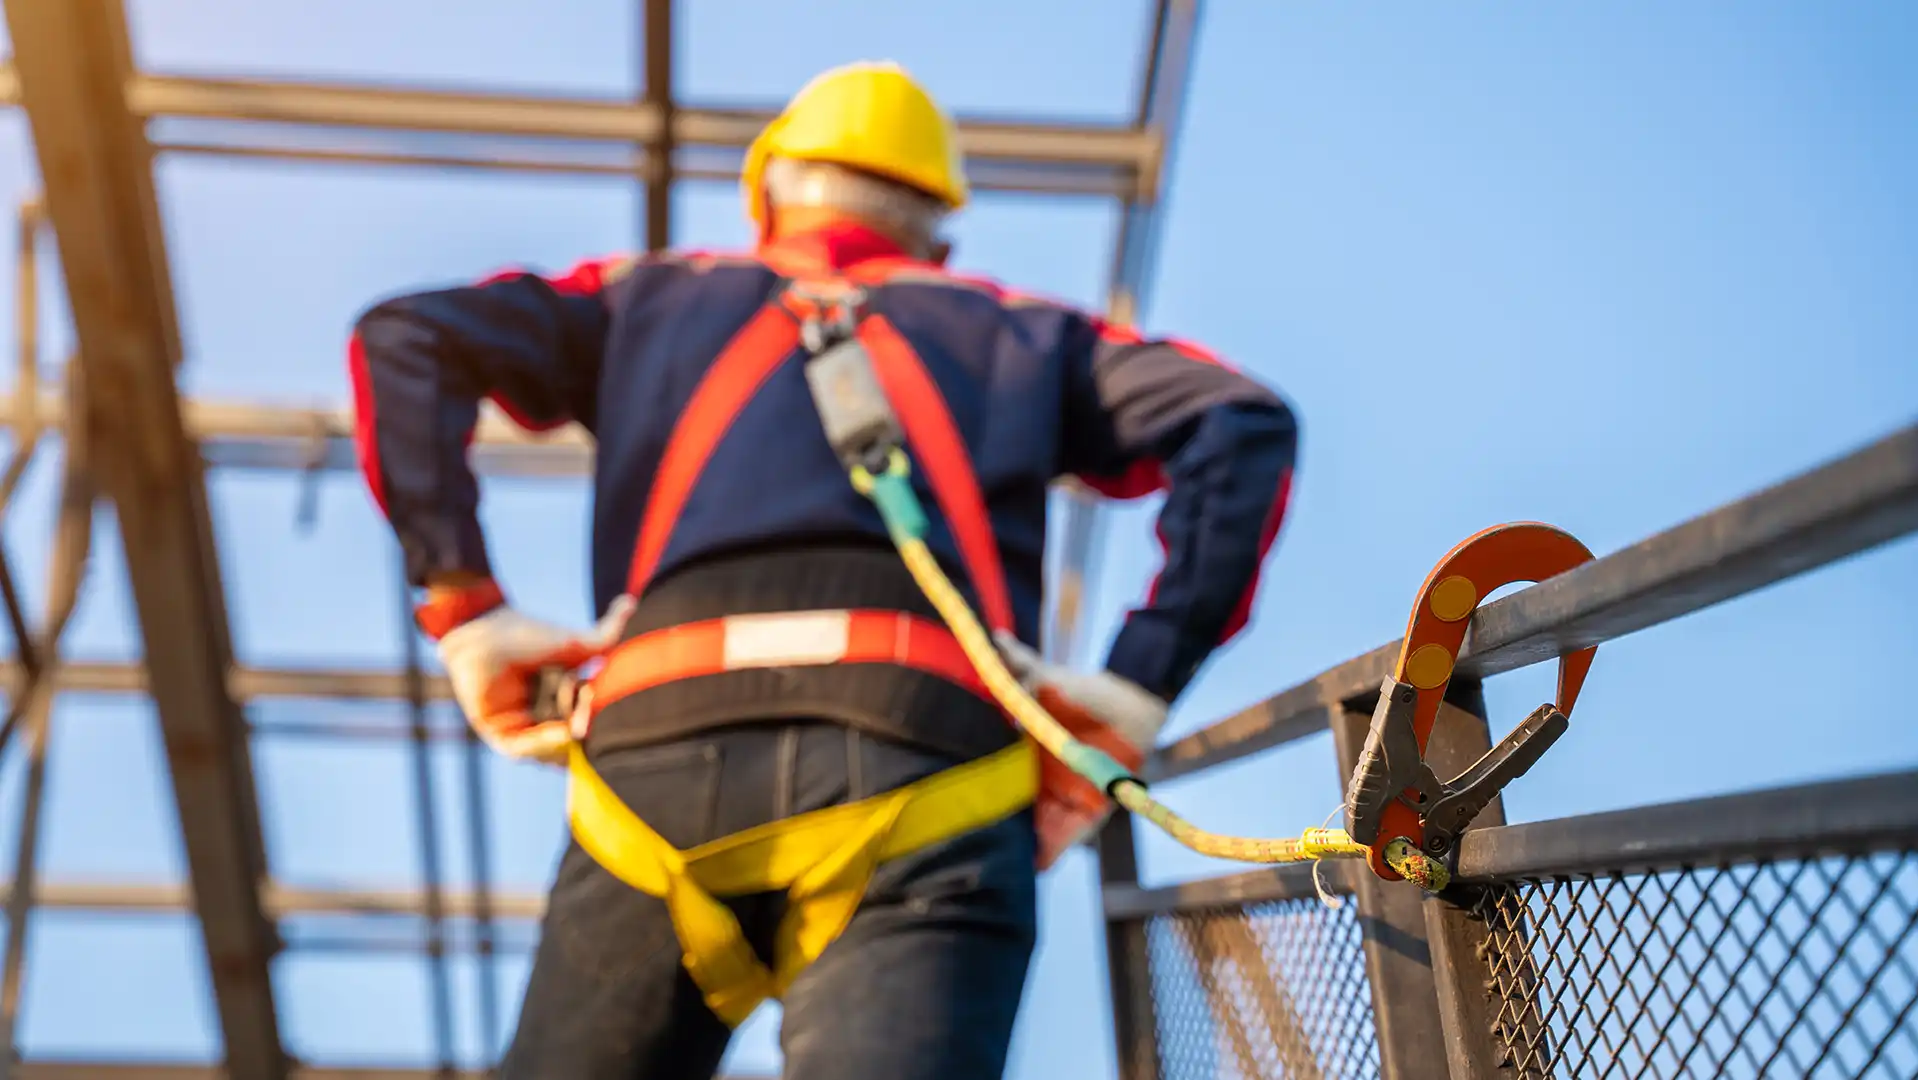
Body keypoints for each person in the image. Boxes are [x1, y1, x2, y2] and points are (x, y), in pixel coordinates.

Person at [347, 59, 1298, 1080]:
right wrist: (1134, 685)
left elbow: (404, 339)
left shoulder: (648, 300)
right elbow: (1237, 420)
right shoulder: (1028, 331)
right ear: (938, 233)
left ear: (767, 202)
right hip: (927, 763)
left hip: (655, 760)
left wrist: (467, 605)